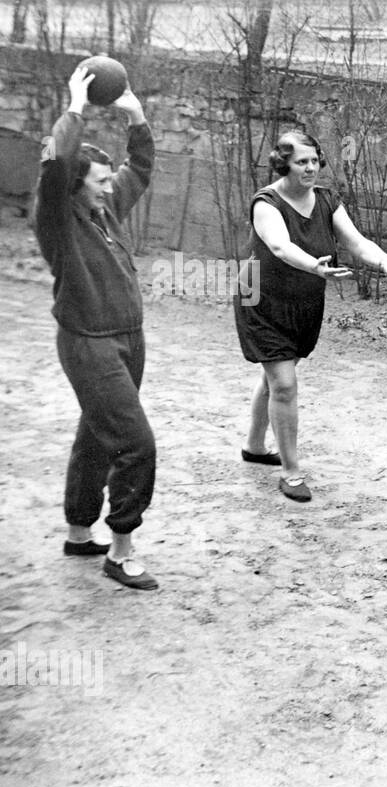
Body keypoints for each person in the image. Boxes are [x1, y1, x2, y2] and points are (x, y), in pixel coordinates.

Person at [235, 131, 387, 502]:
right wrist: (313, 267)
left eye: (315, 160)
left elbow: (356, 241)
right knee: (283, 382)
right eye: (302, 162)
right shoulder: (266, 203)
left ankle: (253, 446)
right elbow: (281, 247)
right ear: (284, 164)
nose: (311, 167)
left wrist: (382, 260)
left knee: (276, 376)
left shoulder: (327, 199)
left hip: (303, 301)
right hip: (260, 298)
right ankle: (291, 472)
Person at [35, 66, 158, 590]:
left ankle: (79, 533)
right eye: (100, 182)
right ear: (75, 189)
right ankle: (121, 548)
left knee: (97, 437)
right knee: (136, 444)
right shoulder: (58, 220)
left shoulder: (105, 210)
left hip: (128, 338)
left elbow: (141, 169)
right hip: (89, 343)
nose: (111, 188)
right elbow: (59, 161)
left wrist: (136, 117)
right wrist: (76, 107)